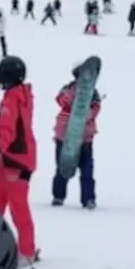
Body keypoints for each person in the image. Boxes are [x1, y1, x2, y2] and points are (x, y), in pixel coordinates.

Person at [0, 56, 37, 268]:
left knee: (18, 207)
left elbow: (8, 128)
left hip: (16, 160)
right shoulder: (23, 96)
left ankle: (27, 250)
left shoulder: (11, 99)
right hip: (12, 159)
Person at [51, 65, 101, 209]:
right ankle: (58, 195)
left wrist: (87, 113)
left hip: (85, 138)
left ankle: (88, 198)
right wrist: (72, 100)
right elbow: (60, 99)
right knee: (63, 167)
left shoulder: (93, 93)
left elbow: (96, 108)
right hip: (64, 136)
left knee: (87, 170)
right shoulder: (68, 89)